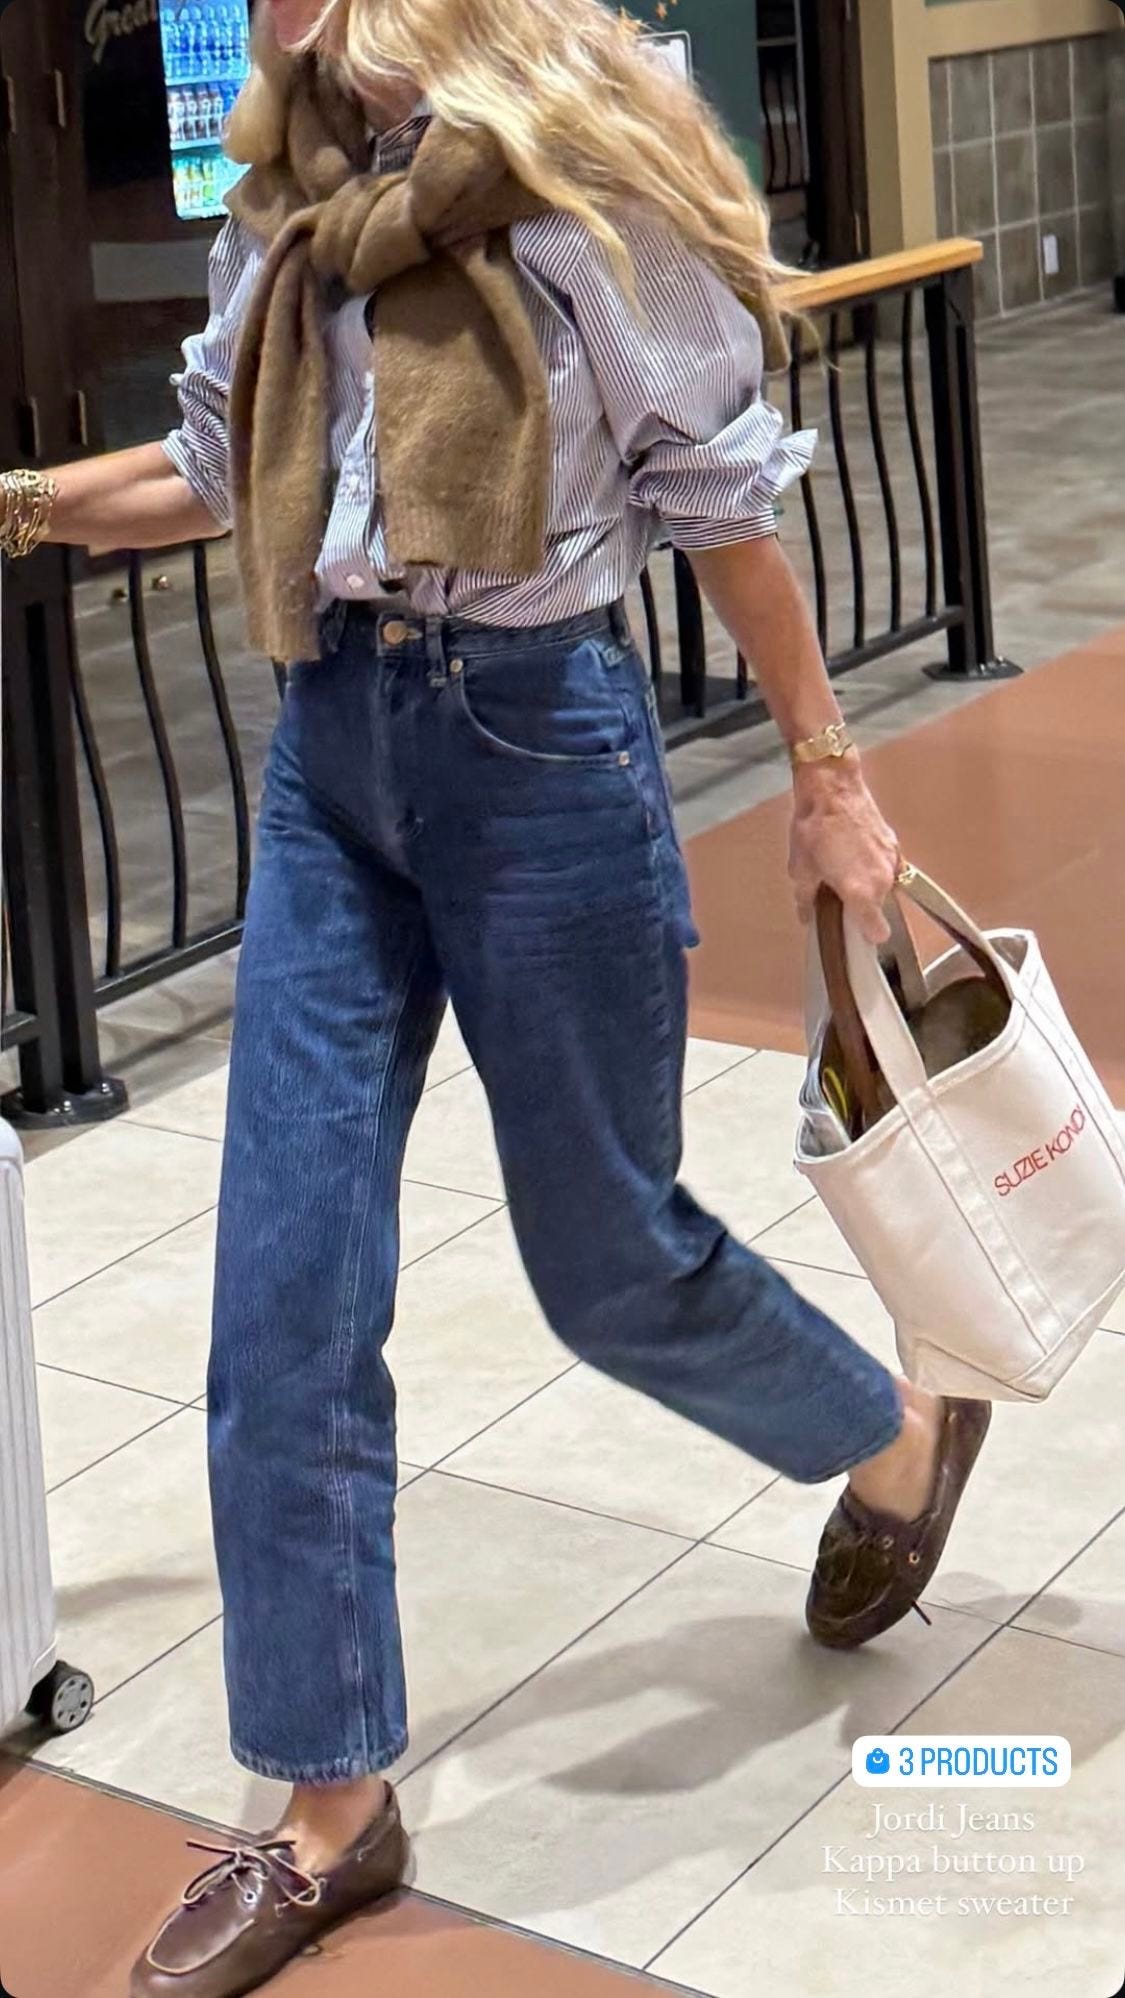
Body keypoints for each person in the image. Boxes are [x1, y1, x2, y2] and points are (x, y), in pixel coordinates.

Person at [0, 0, 990, 1989]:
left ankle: (892, 1428)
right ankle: (329, 1807)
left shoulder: (577, 170)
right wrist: (21, 503)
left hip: (537, 746)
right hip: (330, 754)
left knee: (604, 1259)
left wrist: (826, 776)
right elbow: (215, 463)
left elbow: (718, 501)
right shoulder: (286, 198)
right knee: (281, 1291)